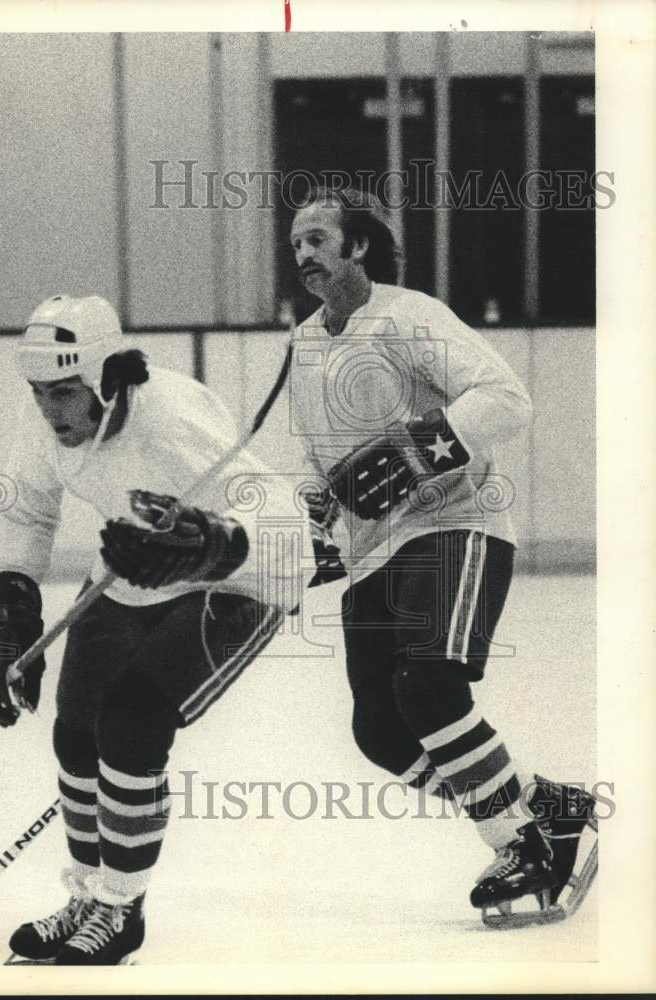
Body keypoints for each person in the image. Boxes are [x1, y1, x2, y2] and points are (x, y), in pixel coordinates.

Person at [0, 294, 309, 965]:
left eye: (64, 393)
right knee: (76, 729)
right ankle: (91, 893)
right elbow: (29, 509)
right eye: (39, 393)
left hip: (240, 581)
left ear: (107, 378)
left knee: (132, 717)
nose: (50, 412)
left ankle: (121, 908)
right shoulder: (48, 424)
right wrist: (9, 607)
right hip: (136, 571)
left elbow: (289, 530)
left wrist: (208, 545)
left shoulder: (173, 420)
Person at [286, 185, 597, 928]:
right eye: (296, 243)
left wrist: (409, 457)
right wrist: (318, 505)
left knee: (427, 687)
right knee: (380, 731)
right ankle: (546, 804)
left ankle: (524, 840)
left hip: (455, 523)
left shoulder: (410, 315)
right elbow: (317, 455)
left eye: (318, 240)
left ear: (359, 245)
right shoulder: (302, 342)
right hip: (372, 551)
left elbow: (505, 398)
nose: (303, 256)